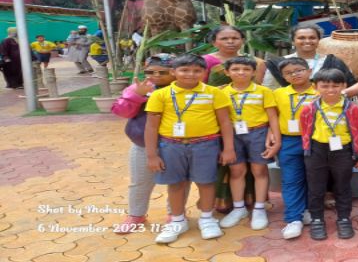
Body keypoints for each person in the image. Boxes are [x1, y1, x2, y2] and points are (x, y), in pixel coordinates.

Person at [144, 54, 236, 244]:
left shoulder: (214, 93)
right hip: (171, 145)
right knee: (176, 183)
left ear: (204, 72)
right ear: (173, 72)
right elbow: (151, 127)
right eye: (184, 70)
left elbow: (225, 122)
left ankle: (207, 219)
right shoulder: (160, 95)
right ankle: (178, 220)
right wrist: (152, 155)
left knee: (206, 182)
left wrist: (228, 148)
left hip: (206, 145)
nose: (191, 74)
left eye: (197, 71)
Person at [110, 53, 177, 234]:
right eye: (150, 71)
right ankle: (136, 215)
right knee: (140, 181)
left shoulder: (183, 88)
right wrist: (136, 96)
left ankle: (175, 213)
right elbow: (121, 112)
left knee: (178, 181)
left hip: (176, 144)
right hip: (143, 145)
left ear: (174, 71)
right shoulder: (138, 88)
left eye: (162, 72)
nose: (156, 76)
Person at [300, 68, 358, 240]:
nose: (330, 90)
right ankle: (317, 219)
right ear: (315, 87)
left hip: (343, 151)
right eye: (325, 86)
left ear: (344, 86)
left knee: (343, 186)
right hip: (316, 150)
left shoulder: (352, 109)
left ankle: (344, 218)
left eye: (335, 85)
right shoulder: (309, 109)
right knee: (316, 187)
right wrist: (308, 151)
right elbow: (304, 131)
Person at [218, 56, 279, 231]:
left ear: (253, 72)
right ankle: (239, 208)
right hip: (231, 134)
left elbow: (272, 116)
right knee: (236, 171)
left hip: (258, 133)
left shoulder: (264, 91)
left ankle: (259, 208)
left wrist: (276, 139)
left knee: (259, 170)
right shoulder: (221, 93)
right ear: (227, 72)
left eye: (246, 69)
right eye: (235, 69)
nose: (241, 72)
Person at [273, 57, 317, 239]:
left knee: (313, 178)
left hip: (316, 140)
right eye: (288, 73)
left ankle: (307, 209)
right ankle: (293, 219)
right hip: (289, 141)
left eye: (299, 70)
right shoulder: (278, 93)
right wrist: (273, 136)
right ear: (283, 77)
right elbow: (273, 117)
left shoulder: (320, 91)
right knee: (291, 179)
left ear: (309, 71)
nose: (295, 74)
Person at [262, 23, 356, 90]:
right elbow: (269, 90)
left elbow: (348, 86)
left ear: (319, 40)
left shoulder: (334, 62)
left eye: (312, 38)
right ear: (293, 41)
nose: (307, 41)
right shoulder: (278, 63)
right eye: (301, 38)